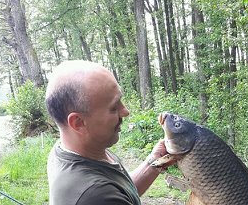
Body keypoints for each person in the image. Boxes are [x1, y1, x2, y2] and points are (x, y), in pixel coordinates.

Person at [46, 60, 170, 205]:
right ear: (78, 122)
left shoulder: (73, 149)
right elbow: (107, 194)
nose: (125, 112)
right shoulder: (94, 195)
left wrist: (155, 160)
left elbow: (122, 192)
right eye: (113, 108)